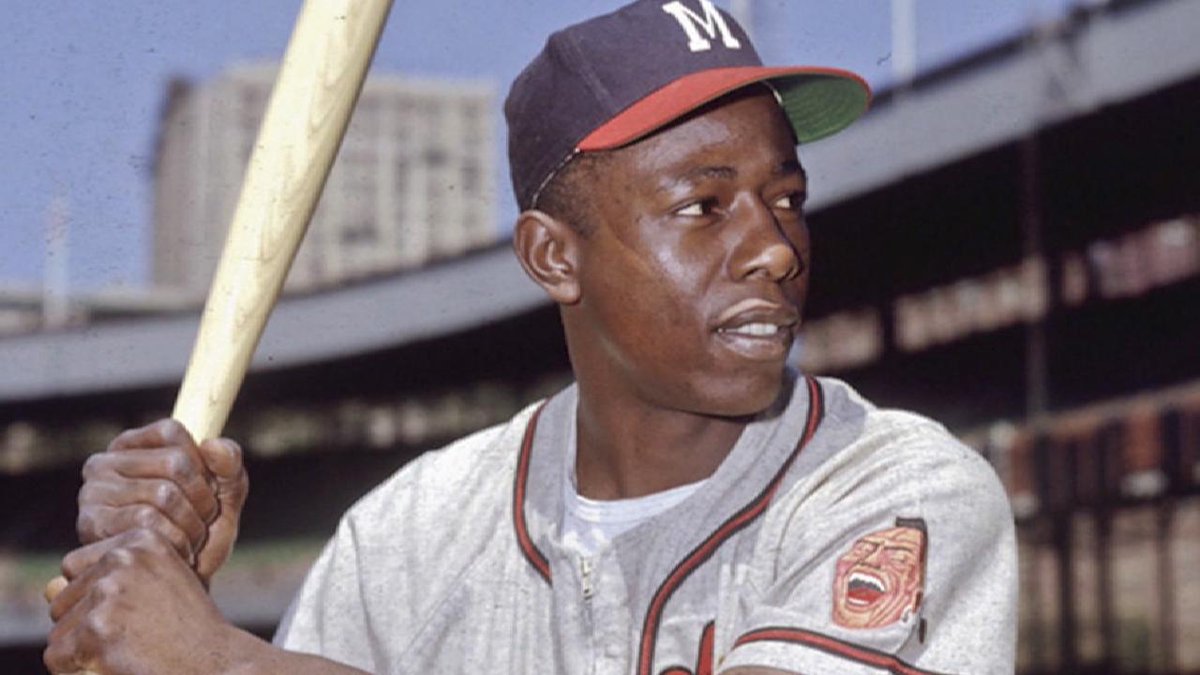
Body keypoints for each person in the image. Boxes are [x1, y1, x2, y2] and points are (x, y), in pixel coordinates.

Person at [44, 1, 1017, 673]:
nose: (774, 248)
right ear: (555, 258)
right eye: (705, 205)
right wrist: (155, 600)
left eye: (787, 198)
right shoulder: (409, 536)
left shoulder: (898, 488)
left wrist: (219, 660)